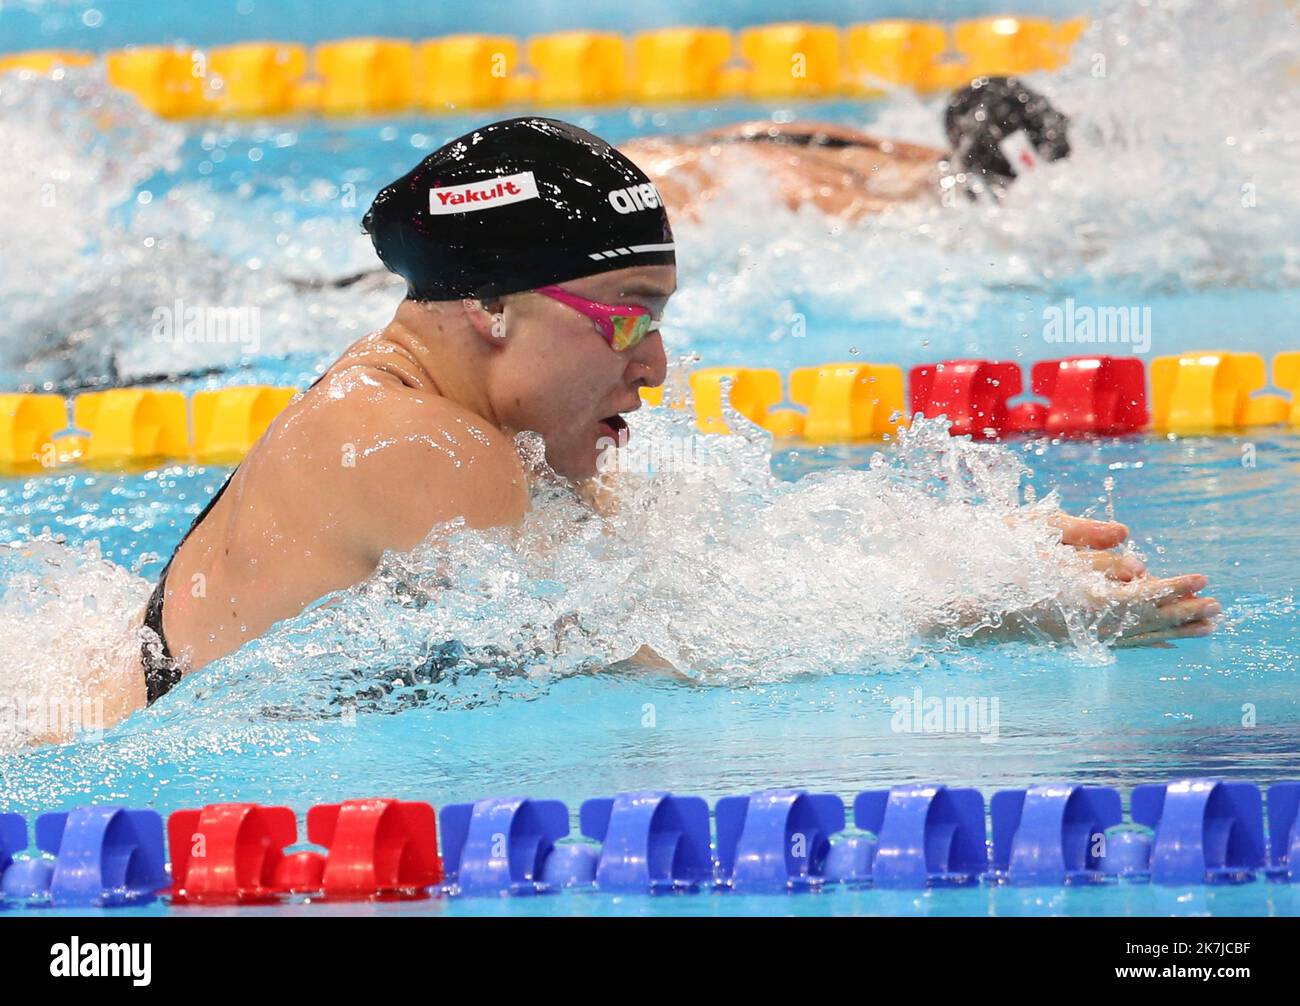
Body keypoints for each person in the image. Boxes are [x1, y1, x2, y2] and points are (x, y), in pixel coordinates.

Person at [103, 115, 1211, 730]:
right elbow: (648, 658)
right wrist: (993, 615)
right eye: (626, 321)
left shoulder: (457, 421)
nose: (658, 365)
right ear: (489, 305)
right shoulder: (409, 441)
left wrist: (963, 554)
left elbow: (678, 586)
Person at [619, 75, 1071, 221]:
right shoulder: (637, 152)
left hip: (768, 168)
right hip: (782, 151)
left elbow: (767, 166)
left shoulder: (631, 173)